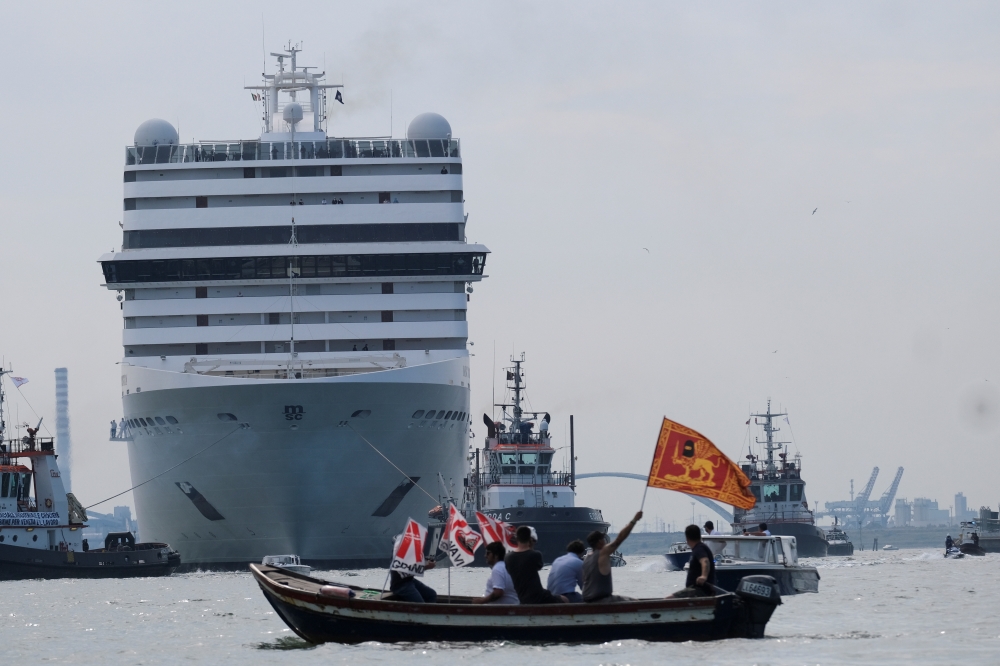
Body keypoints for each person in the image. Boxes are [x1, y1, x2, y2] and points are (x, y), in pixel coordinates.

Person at [582, 510, 643, 602]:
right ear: (600, 542)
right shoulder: (603, 552)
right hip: (601, 600)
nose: (605, 541)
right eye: (603, 539)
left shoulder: (586, 559)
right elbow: (620, 538)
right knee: (637, 603)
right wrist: (634, 520)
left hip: (587, 600)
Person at [505, 525, 566, 604]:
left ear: (516, 539)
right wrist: (530, 547)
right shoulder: (535, 555)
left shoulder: (508, 557)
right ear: (530, 539)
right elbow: (538, 566)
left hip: (521, 597)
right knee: (564, 599)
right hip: (538, 596)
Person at [670, 524, 717, 598]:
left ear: (687, 538)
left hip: (700, 590)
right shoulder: (699, 548)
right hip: (695, 590)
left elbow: (705, 561)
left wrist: (704, 576)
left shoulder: (699, 548)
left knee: (669, 599)